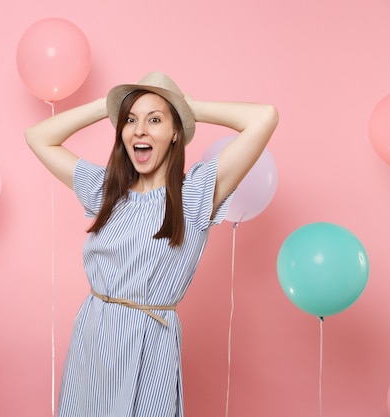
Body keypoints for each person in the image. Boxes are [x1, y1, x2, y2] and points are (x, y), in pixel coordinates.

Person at [24, 71, 278, 417]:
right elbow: (38, 136)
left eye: (154, 120)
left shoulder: (196, 193)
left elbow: (264, 117)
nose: (140, 130)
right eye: (130, 120)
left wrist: (190, 109)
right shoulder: (105, 190)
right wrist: (107, 106)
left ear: (175, 133)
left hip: (150, 342)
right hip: (94, 335)